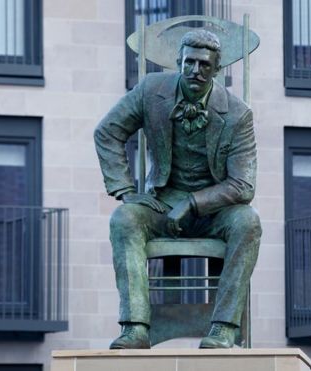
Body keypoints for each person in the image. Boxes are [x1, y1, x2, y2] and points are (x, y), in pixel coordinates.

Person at [93, 29, 261, 349]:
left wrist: (194, 203)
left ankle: (224, 327)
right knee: (124, 219)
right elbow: (107, 132)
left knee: (248, 221)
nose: (196, 71)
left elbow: (243, 185)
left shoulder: (239, 114)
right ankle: (135, 327)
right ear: (178, 62)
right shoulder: (150, 91)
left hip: (215, 210)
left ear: (217, 69)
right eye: (190, 62)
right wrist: (126, 190)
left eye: (205, 65)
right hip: (162, 202)